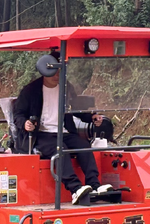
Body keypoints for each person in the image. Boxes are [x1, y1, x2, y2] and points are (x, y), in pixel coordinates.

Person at [13, 71, 112, 204]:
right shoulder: (31, 90)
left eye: (60, 73)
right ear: (45, 71)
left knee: (83, 146)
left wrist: (91, 117)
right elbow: (18, 114)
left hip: (65, 131)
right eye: (53, 73)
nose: (57, 76)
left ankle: (94, 184)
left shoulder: (66, 87)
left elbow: (76, 108)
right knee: (60, 149)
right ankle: (75, 188)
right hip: (40, 134)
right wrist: (25, 124)